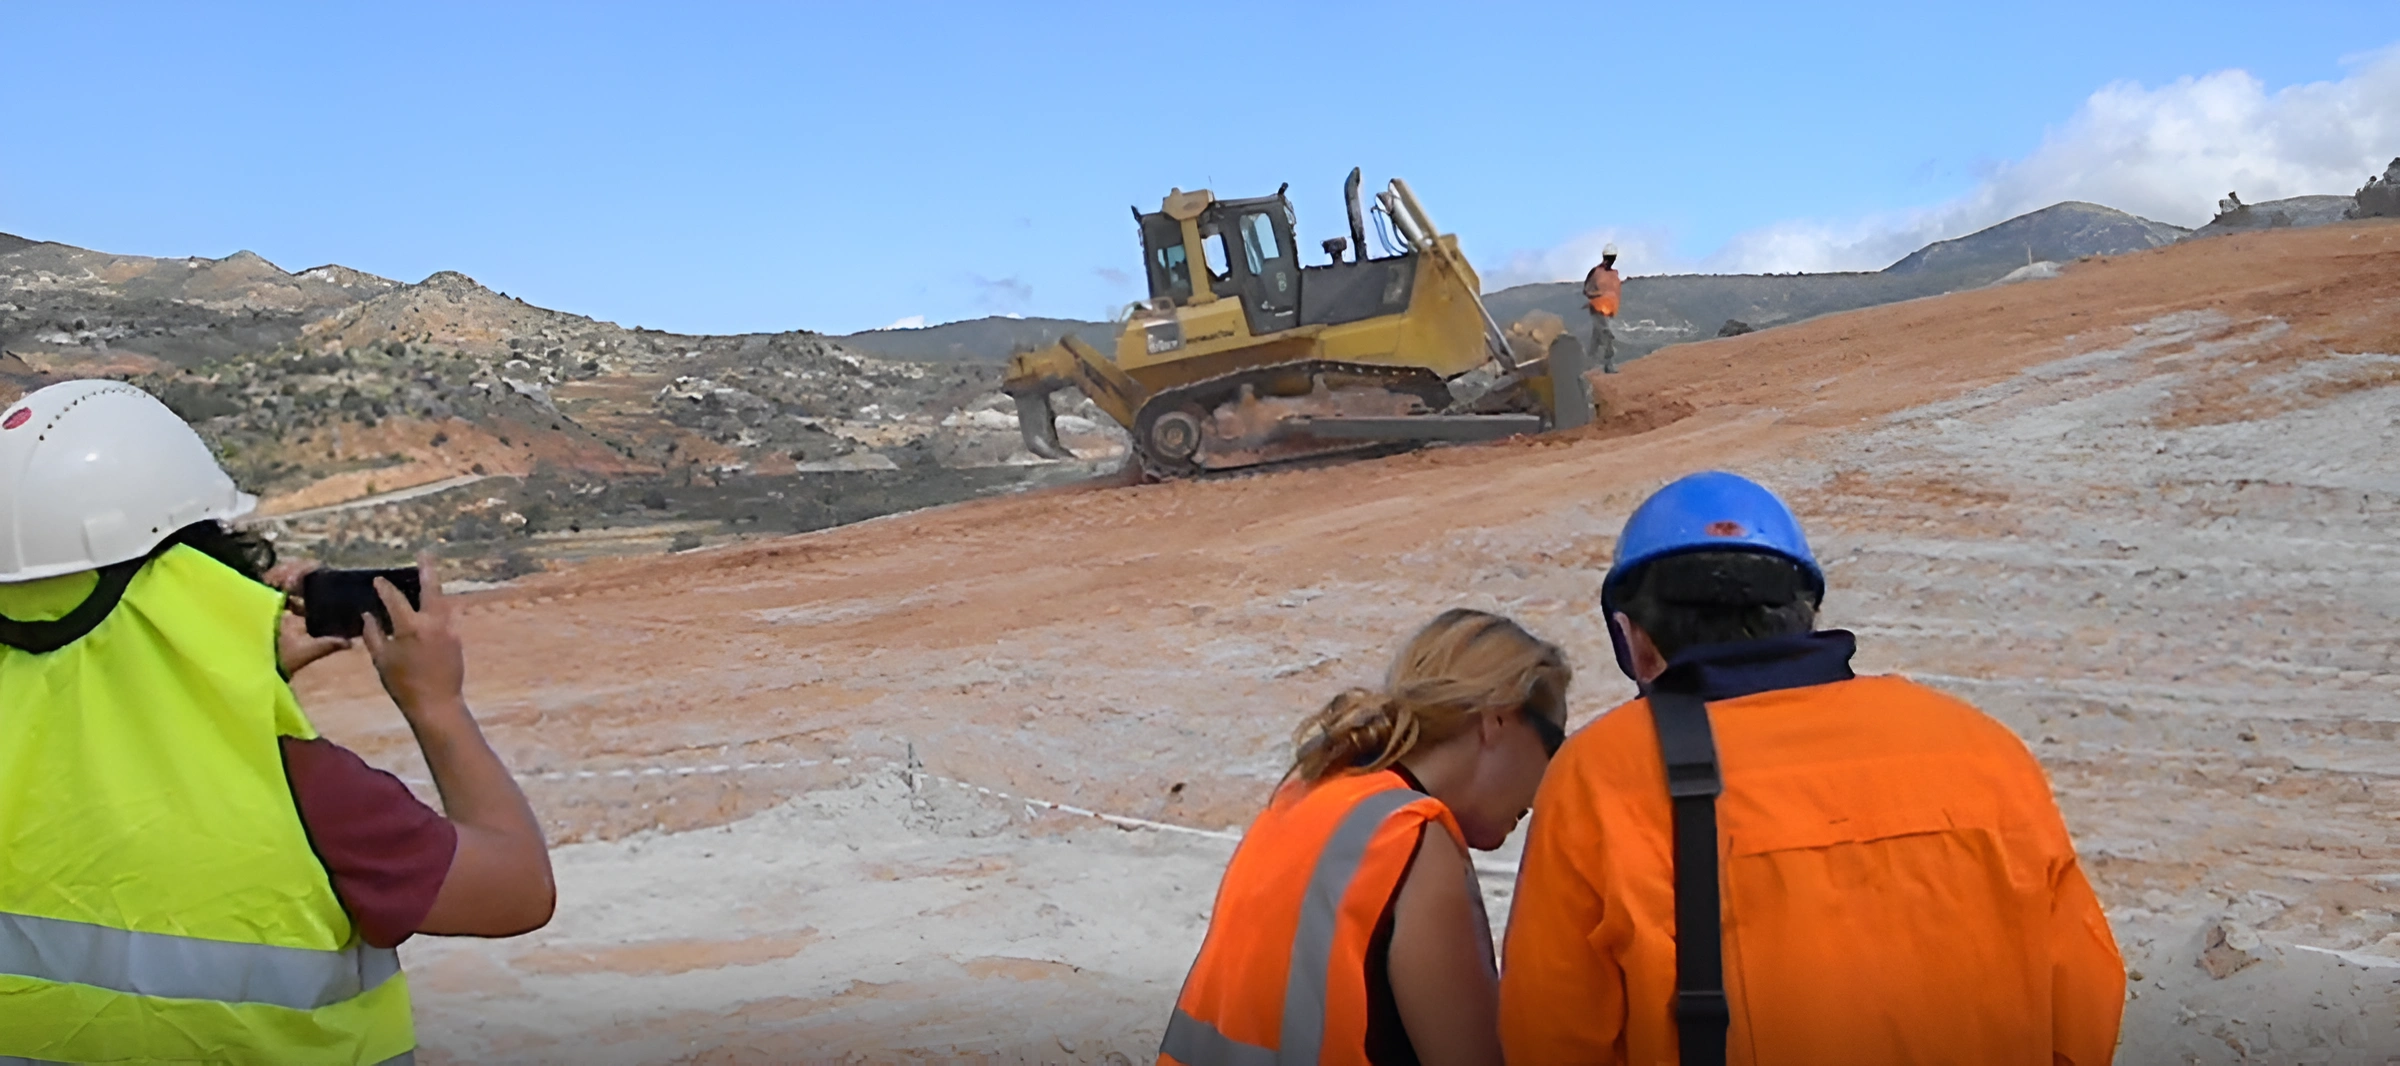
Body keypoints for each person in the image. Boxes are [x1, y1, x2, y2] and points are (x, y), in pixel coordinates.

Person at [0, 379, 555, 1064]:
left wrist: (229, 673)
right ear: (197, 572)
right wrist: (435, 705)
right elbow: (516, 891)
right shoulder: (301, 787)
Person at [1499, 471, 2124, 1065]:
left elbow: (1551, 1036)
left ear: (1633, 640)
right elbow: (2085, 1005)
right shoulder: (1980, 749)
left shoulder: (1602, 774)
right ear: (1804, 611)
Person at [1160, 609, 1571, 1066]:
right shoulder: (1412, 839)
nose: (1551, 776)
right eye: (1555, 745)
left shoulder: (1309, 794)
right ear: (1498, 718)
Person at [1582, 243, 1623, 374]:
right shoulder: (1595, 272)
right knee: (1607, 334)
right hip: (1598, 309)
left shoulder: (1613, 274)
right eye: (1609, 257)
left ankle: (1585, 365)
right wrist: (1597, 295)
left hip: (1608, 311)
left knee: (1596, 340)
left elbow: (1613, 289)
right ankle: (1608, 364)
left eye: (1613, 258)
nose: (1610, 260)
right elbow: (1586, 290)